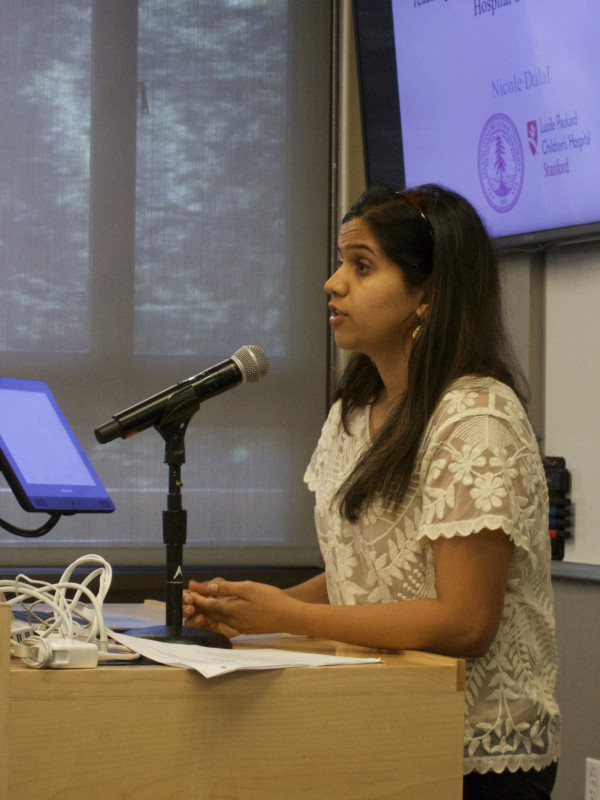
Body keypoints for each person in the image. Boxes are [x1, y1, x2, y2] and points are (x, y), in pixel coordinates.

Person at [183, 185, 560, 799]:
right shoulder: (355, 412)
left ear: (428, 294)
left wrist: (291, 617)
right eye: (339, 262)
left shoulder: (477, 419)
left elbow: (465, 623)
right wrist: (254, 614)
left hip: (471, 760)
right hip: (377, 728)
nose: (333, 284)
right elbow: (366, 579)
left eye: (361, 266)